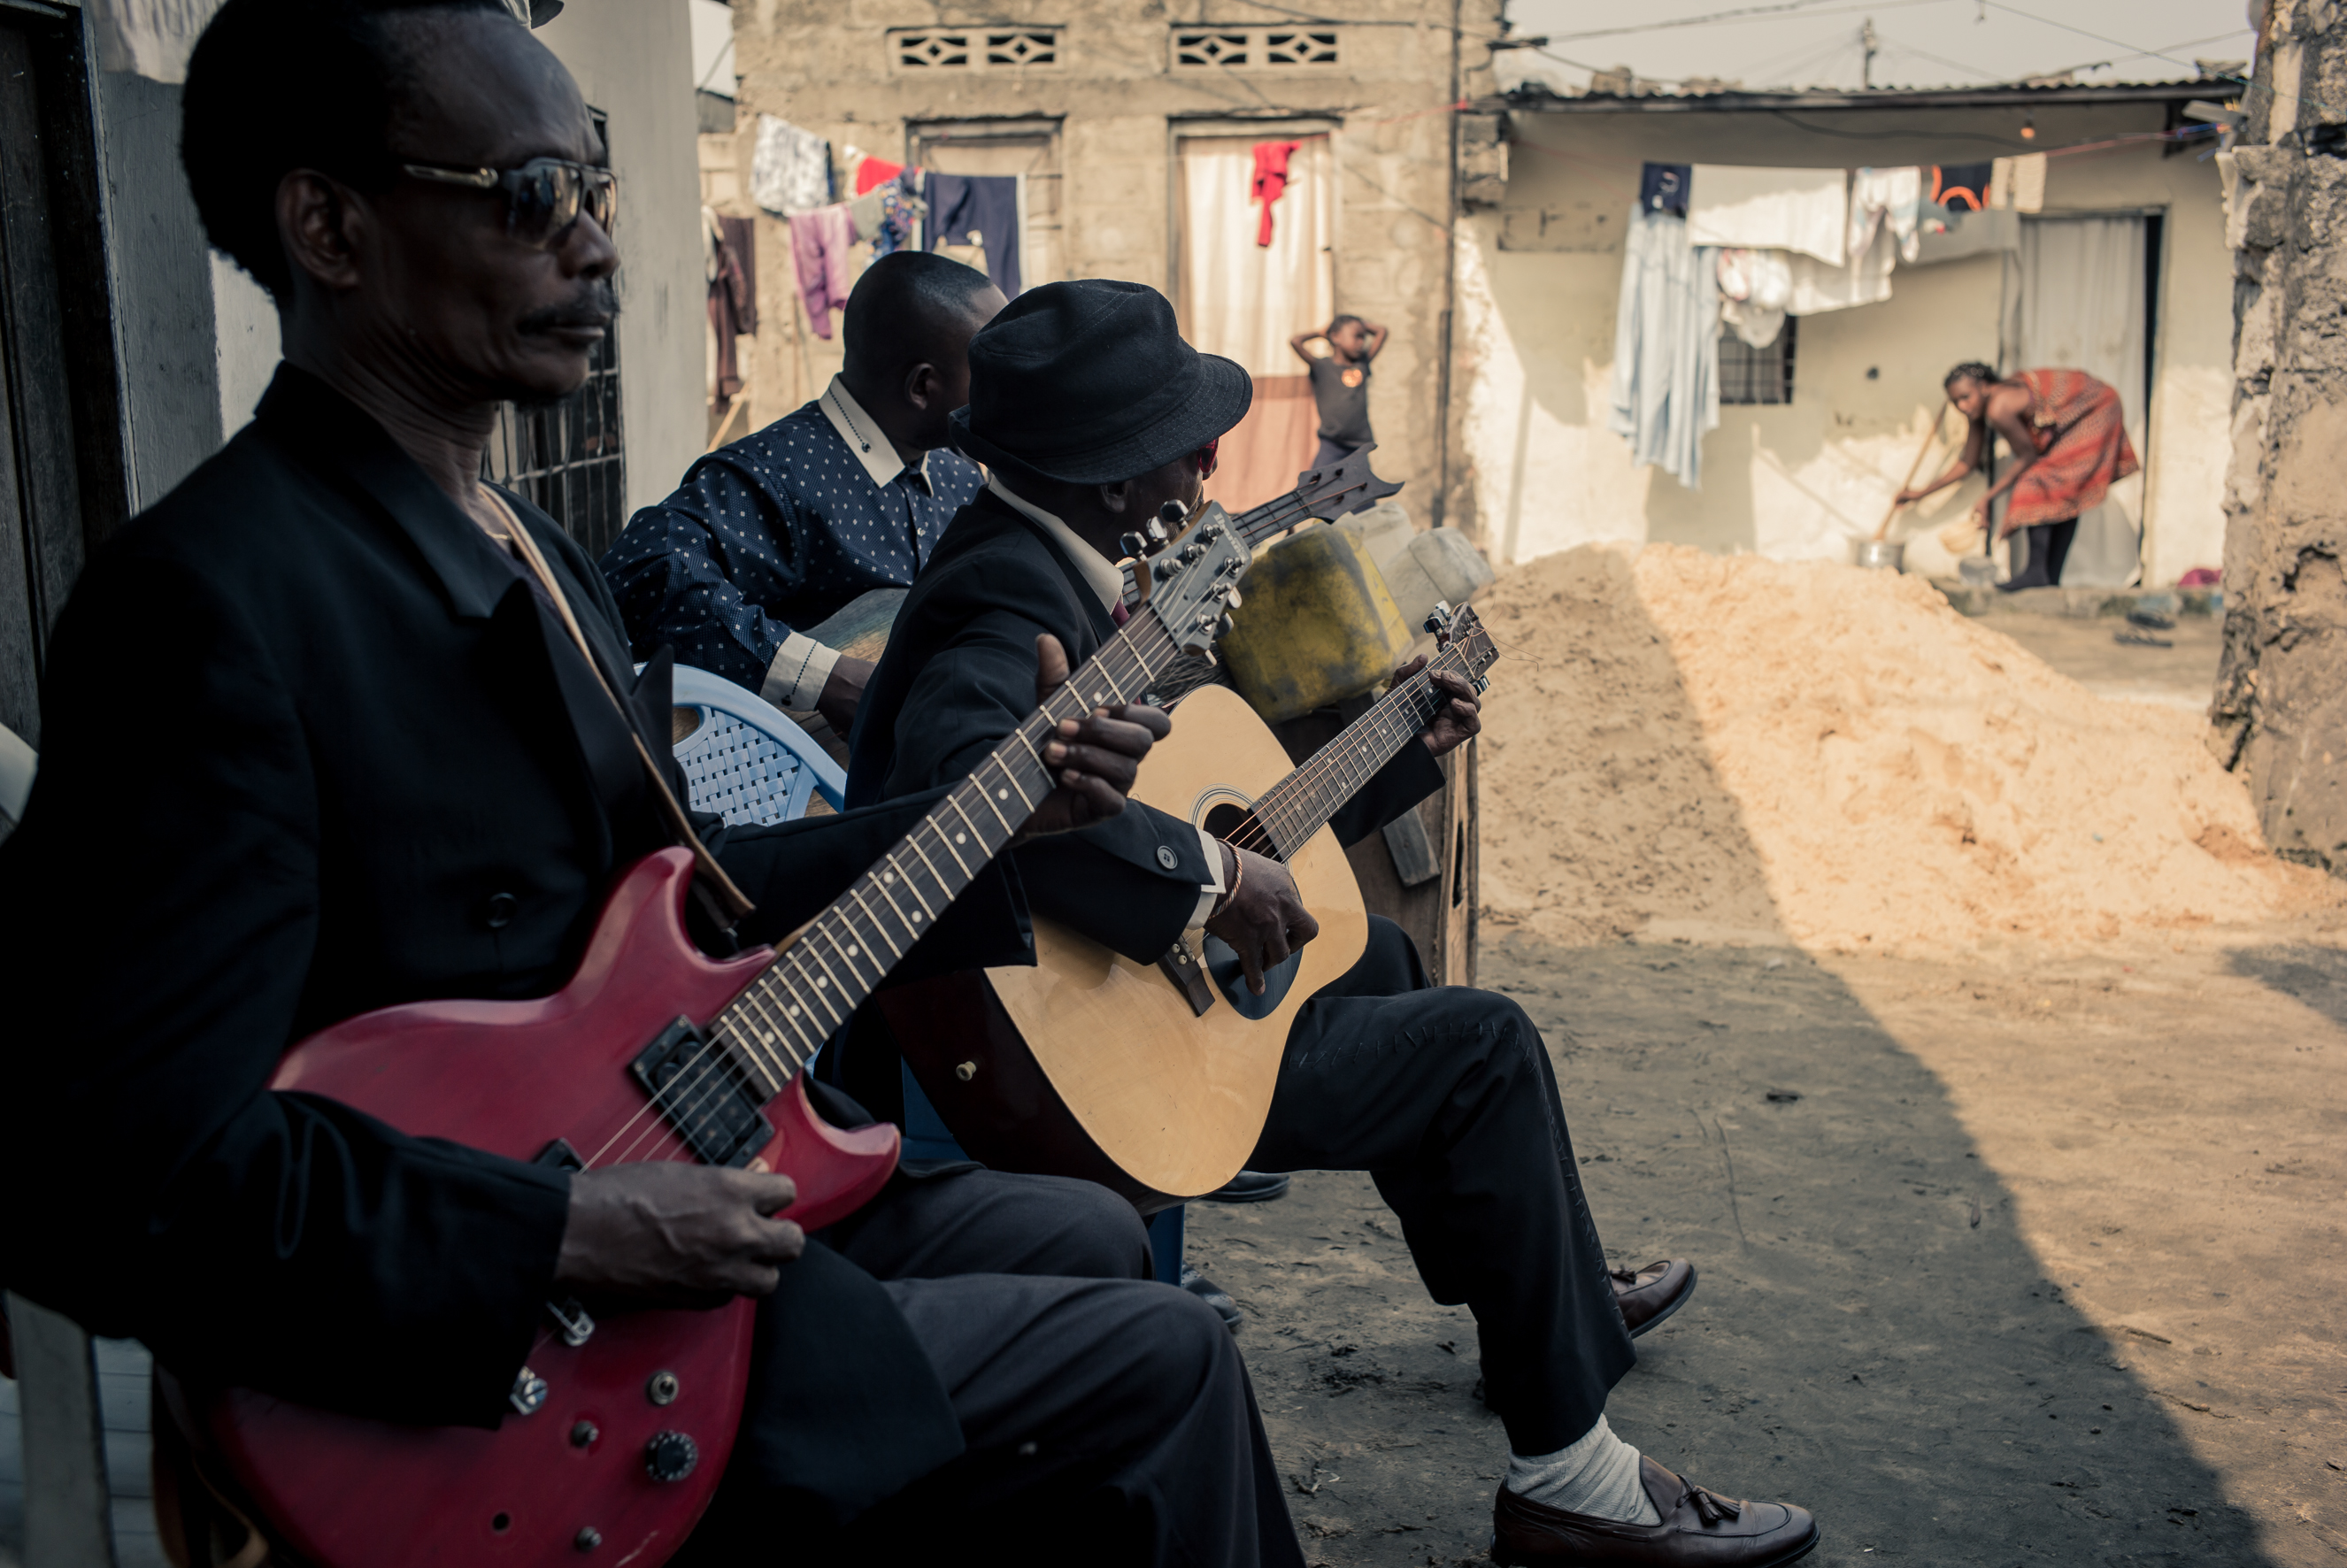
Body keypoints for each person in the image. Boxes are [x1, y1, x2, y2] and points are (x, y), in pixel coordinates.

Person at [0, 6, 1305, 1564]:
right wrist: (562, 1234)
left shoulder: (535, 552)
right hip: (490, 1353)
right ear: (330, 229)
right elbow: (90, 1171)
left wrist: (1001, 817)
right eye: (533, 196)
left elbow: (693, 897)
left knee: (1083, 1224)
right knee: (1168, 1362)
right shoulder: (208, 605)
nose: (599, 248)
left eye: (598, 191)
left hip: (673, 1167)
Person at [848, 279, 1822, 1568]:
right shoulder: (1003, 597)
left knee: (1386, 957)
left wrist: (1399, 747)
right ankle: (1570, 1477)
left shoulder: (1051, 561)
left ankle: (1544, 1311)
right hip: (1059, 1061)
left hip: (1106, 992)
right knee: (1481, 1047)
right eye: (1179, 441)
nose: (1207, 462)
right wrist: (1204, 878)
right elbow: (962, 800)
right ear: (1110, 475)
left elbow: (1221, 813)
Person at [599, 252, 1004, 736]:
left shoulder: (961, 476)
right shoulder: (776, 474)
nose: (1009, 390)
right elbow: (645, 569)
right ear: (922, 386)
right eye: (990, 373)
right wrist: (821, 679)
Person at [1897, 361, 2142, 591]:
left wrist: (1987, 498)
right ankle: (2048, 578)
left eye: (1965, 397)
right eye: (1955, 402)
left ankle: (2037, 573)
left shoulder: (1999, 407)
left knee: (2035, 481)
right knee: (2063, 491)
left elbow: (2027, 458)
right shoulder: (1980, 409)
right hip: (2091, 408)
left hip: (2097, 408)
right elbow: (1967, 463)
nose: (1962, 406)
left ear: (1984, 387)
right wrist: (1920, 494)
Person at [1289, 311, 1386, 468]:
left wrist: (1361, 324)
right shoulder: (1322, 367)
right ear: (1335, 337)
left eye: (1363, 337)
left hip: (1359, 446)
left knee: (1359, 483)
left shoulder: (1362, 364)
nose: (1361, 342)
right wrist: (1320, 333)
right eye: (1357, 336)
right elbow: (1296, 342)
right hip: (1332, 445)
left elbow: (1382, 332)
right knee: (1317, 481)